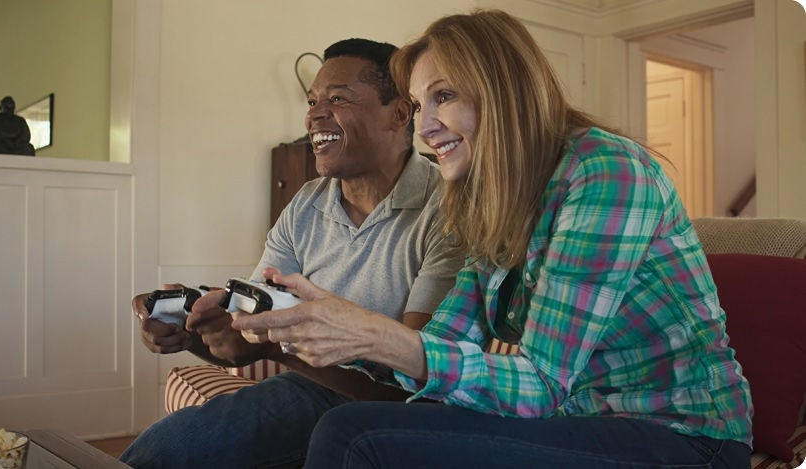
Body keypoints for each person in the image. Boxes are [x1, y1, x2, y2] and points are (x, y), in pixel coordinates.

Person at [235, 10, 754, 468]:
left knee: (354, 434)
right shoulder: (492, 199)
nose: (426, 128)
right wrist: (327, 328)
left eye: (445, 96)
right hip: (576, 420)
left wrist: (373, 334)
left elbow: (542, 385)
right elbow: (443, 346)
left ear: (504, 89)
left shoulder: (606, 171)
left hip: (684, 437)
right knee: (361, 424)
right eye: (421, 105)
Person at [120, 38, 464, 468]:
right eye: (313, 100)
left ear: (398, 113)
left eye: (337, 98)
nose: (315, 113)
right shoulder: (306, 204)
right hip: (311, 388)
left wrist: (277, 348)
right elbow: (249, 339)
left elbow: (414, 385)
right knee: (164, 448)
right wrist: (191, 329)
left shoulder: (448, 208)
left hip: (394, 415)